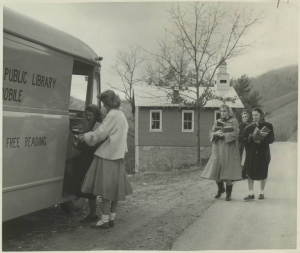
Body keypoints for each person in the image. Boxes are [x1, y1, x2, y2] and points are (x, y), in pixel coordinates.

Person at [79, 90, 132, 229]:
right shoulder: (122, 115)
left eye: (104, 104)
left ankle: (104, 220)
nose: (104, 107)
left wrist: (85, 137)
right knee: (115, 189)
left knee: (105, 189)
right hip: (119, 156)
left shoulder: (112, 114)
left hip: (108, 155)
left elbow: (101, 133)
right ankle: (112, 218)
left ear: (108, 102)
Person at [201, 104, 242, 201]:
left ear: (229, 112)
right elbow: (210, 132)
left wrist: (224, 135)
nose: (222, 113)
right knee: (215, 170)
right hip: (217, 149)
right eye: (221, 111)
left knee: (228, 172)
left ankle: (228, 194)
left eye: (224, 111)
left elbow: (236, 133)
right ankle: (220, 189)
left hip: (229, 149)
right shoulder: (217, 121)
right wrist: (215, 133)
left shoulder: (234, 121)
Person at [71, 104, 103, 223]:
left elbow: (92, 144)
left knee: (88, 183)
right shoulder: (93, 125)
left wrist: (78, 145)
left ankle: (93, 214)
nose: (88, 117)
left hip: (91, 157)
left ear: (95, 115)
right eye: (87, 115)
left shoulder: (97, 126)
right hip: (89, 156)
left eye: (90, 115)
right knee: (88, 184)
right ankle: (92, 213)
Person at [242, 107, 275, 201]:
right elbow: (242, 138)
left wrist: (262, 138)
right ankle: (251, 193)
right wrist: (250, 137)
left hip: (262, 152)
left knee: (263, 172)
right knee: (249, 173)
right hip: (250, 153)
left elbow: (271, 139)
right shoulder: (248, 126)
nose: (254, 117)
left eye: (256, 115)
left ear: (261, 115)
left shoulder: (268, 125)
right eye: (253, 115)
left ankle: (261, 193)